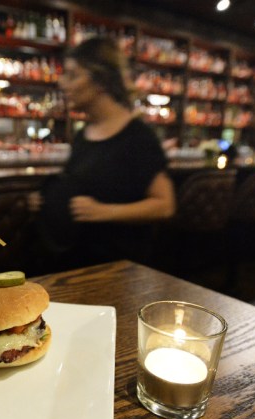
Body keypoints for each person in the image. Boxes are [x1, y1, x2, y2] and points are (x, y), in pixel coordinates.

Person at [29, 37, 176, 271]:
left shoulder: (138, 137)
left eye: (73, 75)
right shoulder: (83, 135)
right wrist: (48, 202)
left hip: (120, 271)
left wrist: (104, 212)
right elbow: (76, 187)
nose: (62, 83)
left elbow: (165, 205)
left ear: (100, 81)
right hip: (78, 264)